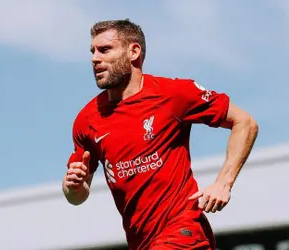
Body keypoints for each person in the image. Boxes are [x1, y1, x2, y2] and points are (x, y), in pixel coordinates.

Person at [62, 19, 259, 250]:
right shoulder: (87, 120)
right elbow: (77, 197)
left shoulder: (174, 94)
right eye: (93, 51)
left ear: (133, 51)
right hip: (142, 243)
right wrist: (72, 187)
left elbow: (245, 122)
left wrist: (223, 183)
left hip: (184, 230)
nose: (95, 58)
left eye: (105, 50)